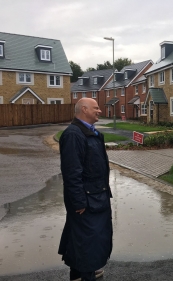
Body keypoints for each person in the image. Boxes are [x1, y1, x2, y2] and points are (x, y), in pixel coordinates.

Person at [58, 98, 112, 281]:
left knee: (87, 239)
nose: (99, 111)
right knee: (87, 241)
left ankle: (79, 273)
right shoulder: (74, 135)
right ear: (84, 109)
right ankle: (85, 274)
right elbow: (72, 173)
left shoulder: (92, 133)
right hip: (86, 201)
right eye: (96, 108)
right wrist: (79, 201)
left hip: (96, 198)